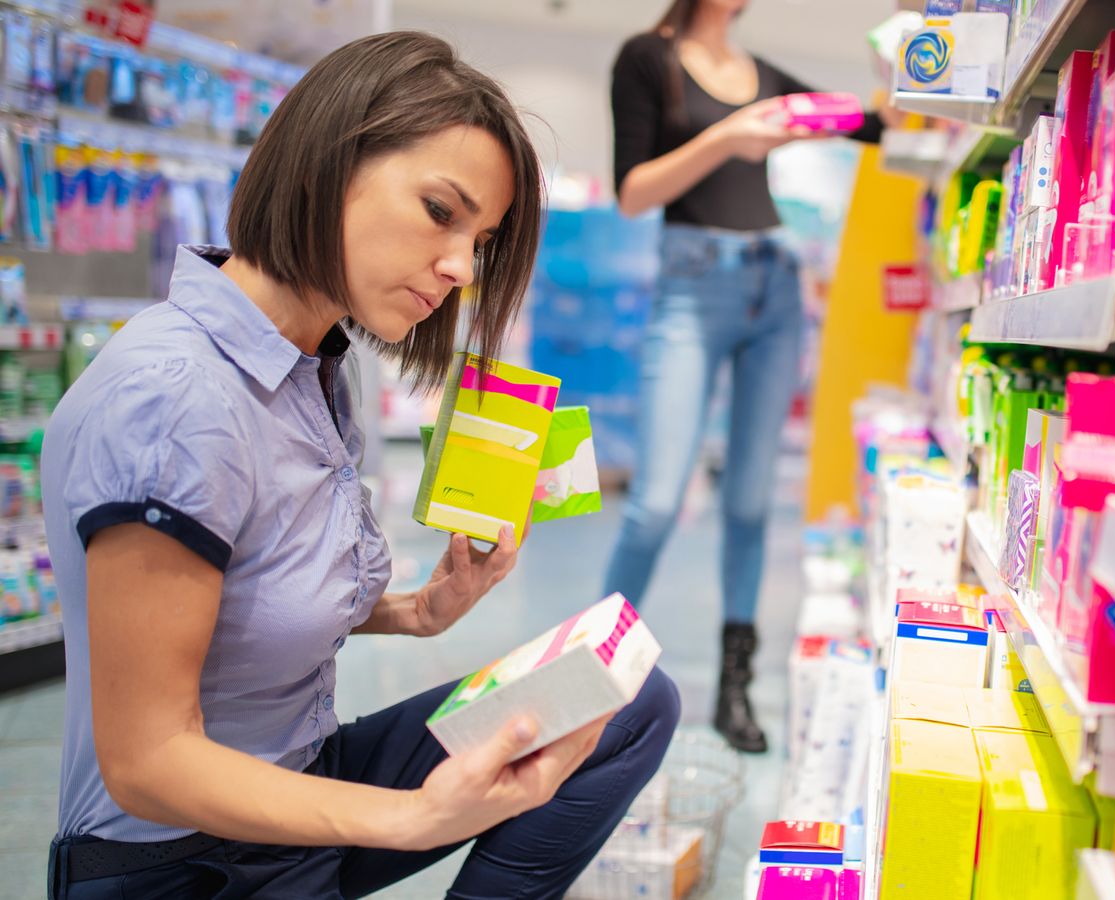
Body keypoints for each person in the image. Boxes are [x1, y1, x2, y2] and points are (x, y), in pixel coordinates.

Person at [42, 32, 679, 900]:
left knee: (627, 700)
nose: (460, 268)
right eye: (439, 212)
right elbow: (147, 761)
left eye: (481, 240)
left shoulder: (315, 362)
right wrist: (416, 818)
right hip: (186, 862)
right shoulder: (175, 400)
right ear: (326, 166)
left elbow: (249, 595)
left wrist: (420, 610)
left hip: (302, 783)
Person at [604, 0, 881, 755]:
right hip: (694, 284)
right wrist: (728, 134)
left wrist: (919, 72)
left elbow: (864, 121)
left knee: (752, 503)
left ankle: (736, 688)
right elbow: (634, 192)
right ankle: (588, 676)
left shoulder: (767, 77)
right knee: (656, 501)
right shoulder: (646, 59)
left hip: (776, 284)